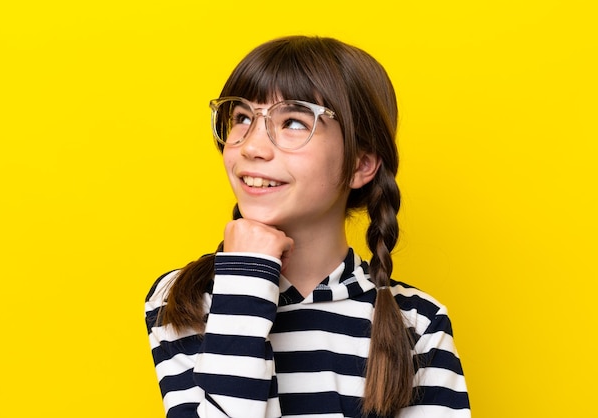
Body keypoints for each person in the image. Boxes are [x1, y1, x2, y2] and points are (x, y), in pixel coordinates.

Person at [145, 35, 471, 418]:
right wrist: (247, 280)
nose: (252, 147)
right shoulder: (185, 299)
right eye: (242, 118)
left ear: (361, 164)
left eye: (294, 122)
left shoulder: (417, 322)